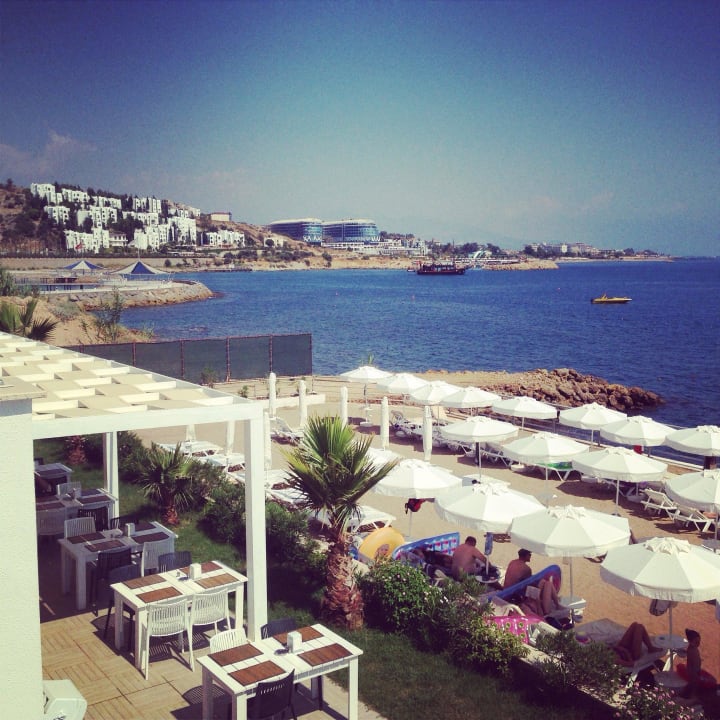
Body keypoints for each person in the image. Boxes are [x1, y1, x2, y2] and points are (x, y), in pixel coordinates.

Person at [680, 628, 702, 699]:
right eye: (696, 641)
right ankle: (691, 696)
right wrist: (695, 673)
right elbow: (693, 662)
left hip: (694, 670)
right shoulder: (692, 650)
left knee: (692, 683)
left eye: (699, 641)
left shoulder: (693, 647)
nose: (698, 643)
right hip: (693, 671)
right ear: (690, 641)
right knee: (693, 684)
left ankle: (688, 693)